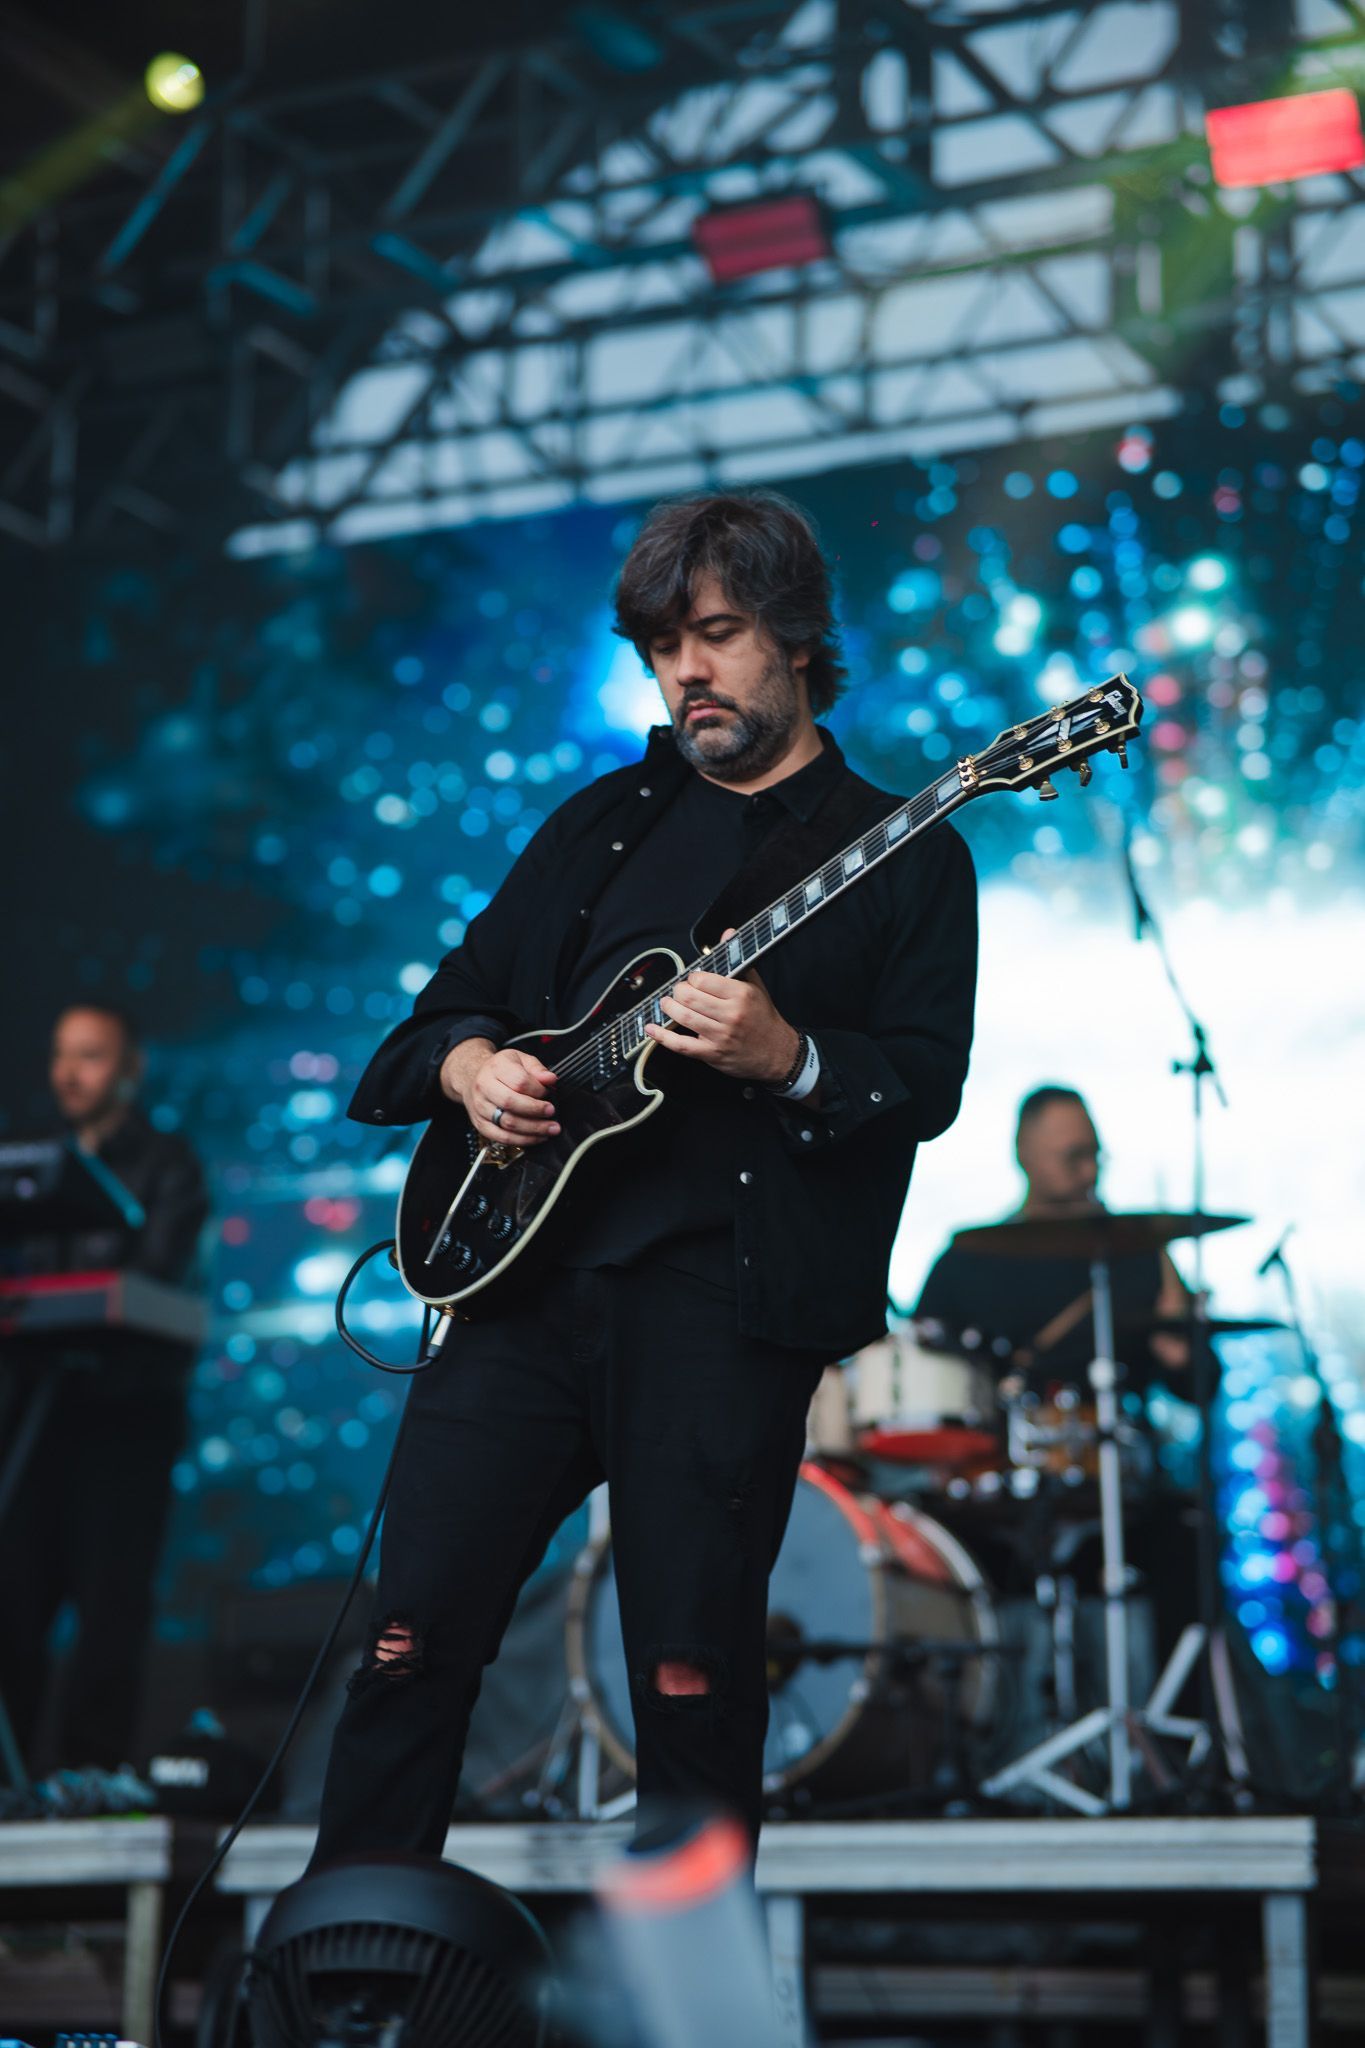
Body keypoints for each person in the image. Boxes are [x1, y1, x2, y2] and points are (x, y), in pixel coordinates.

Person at [311, 489, 978, 1857]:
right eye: (662, 646)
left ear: (795, 639)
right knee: (404, 1641)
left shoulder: (907, 853)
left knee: (690, 1684)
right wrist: (468, 1072)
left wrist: (788, 1052)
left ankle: (691, 2009)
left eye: (718, 634)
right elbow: (424, 1029)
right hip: (516, 1302)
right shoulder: (595, 825)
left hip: (721, 1318)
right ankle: (359, 1968)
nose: (687, 672)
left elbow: (924, 1086)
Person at [0, 1003, 208, 1769]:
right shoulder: (32, 1166)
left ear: (129, 1069)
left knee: (109, 1600)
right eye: (61, 1055)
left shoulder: (166, 1164)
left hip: (126, 1415)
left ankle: (92, 1774)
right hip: (34, 1415)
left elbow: (155, 1282)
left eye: (88, 1056)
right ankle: (13, 1775)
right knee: (15, 1599)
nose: (68, 1073)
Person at [914, 1085, 1190, 1377]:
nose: (1090, 1172)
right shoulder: (967, 1261)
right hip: (997, 1421)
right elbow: (917, 1363)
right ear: (1025, 1155)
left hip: (1123, 1416)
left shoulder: (1137, 1252)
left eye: (1095, 1155)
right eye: (1074, 1157)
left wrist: (1177, 1347)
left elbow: (1202, 1383)